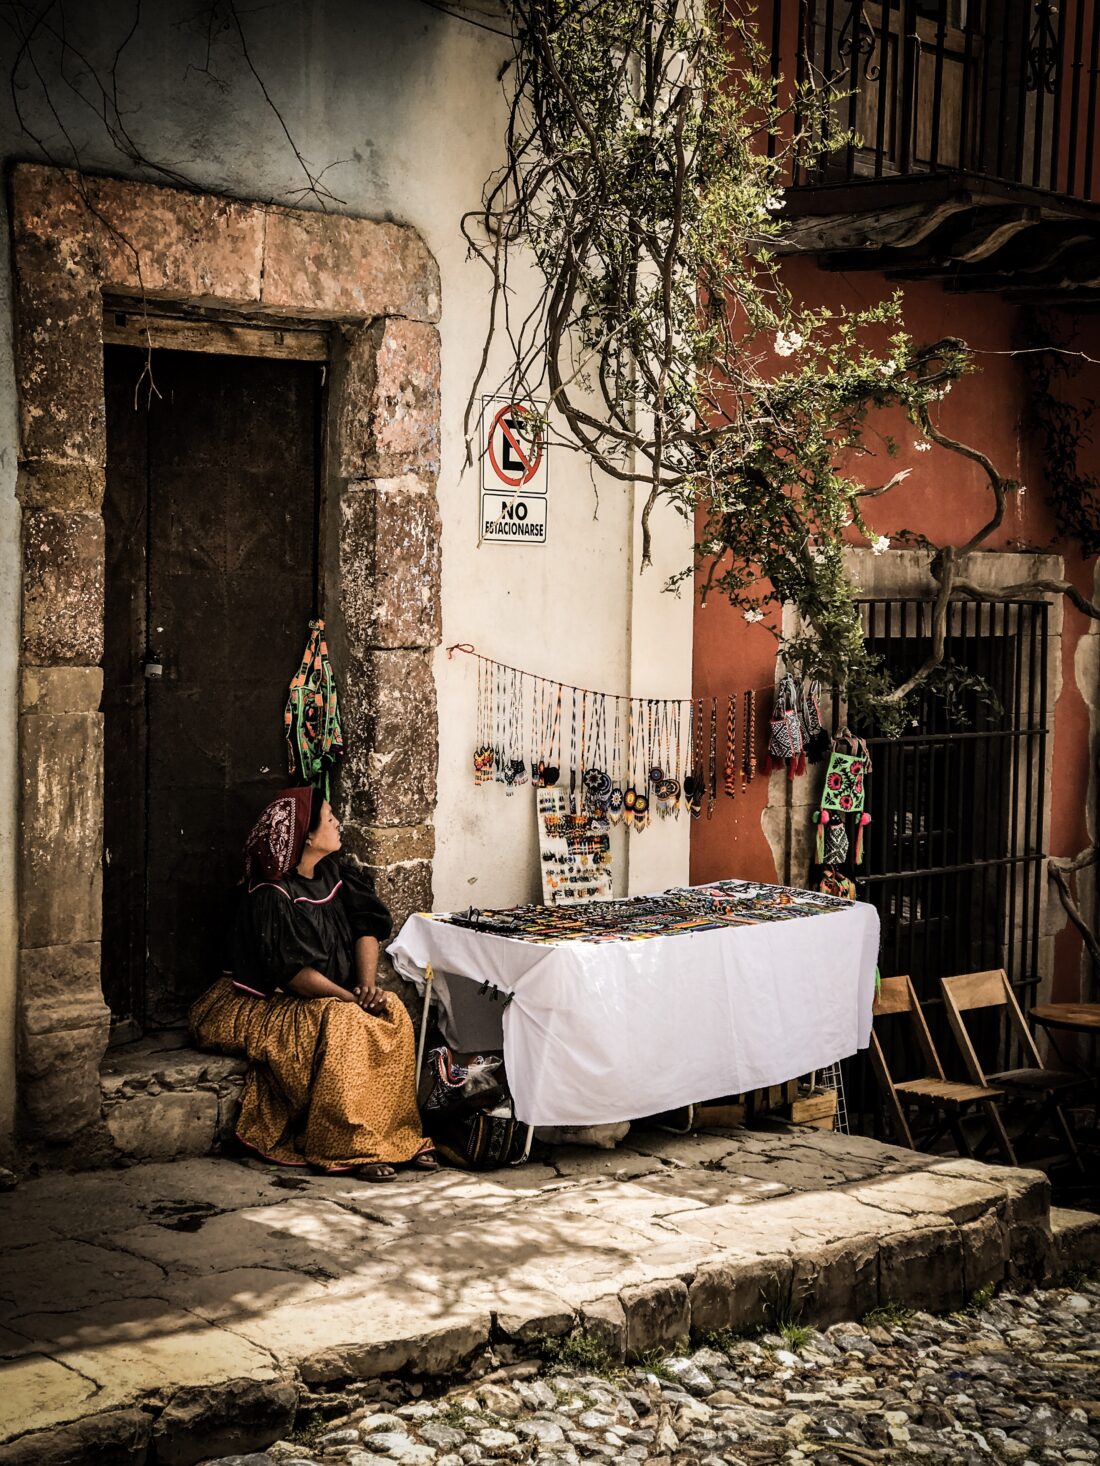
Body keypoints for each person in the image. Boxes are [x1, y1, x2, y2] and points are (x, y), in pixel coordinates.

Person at [190, 786, 436, 1181]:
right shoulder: (271, 894)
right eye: (329, 817)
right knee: (344, 1025)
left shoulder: (334, 874)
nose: (337, 822)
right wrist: (348, 998)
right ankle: (350, 1146)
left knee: (391, 1010)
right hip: (265, 1003)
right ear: (305, 836)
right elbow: (294, 975)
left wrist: (367, 986)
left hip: (329, 995)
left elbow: (365, 929)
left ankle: (396, 1139)